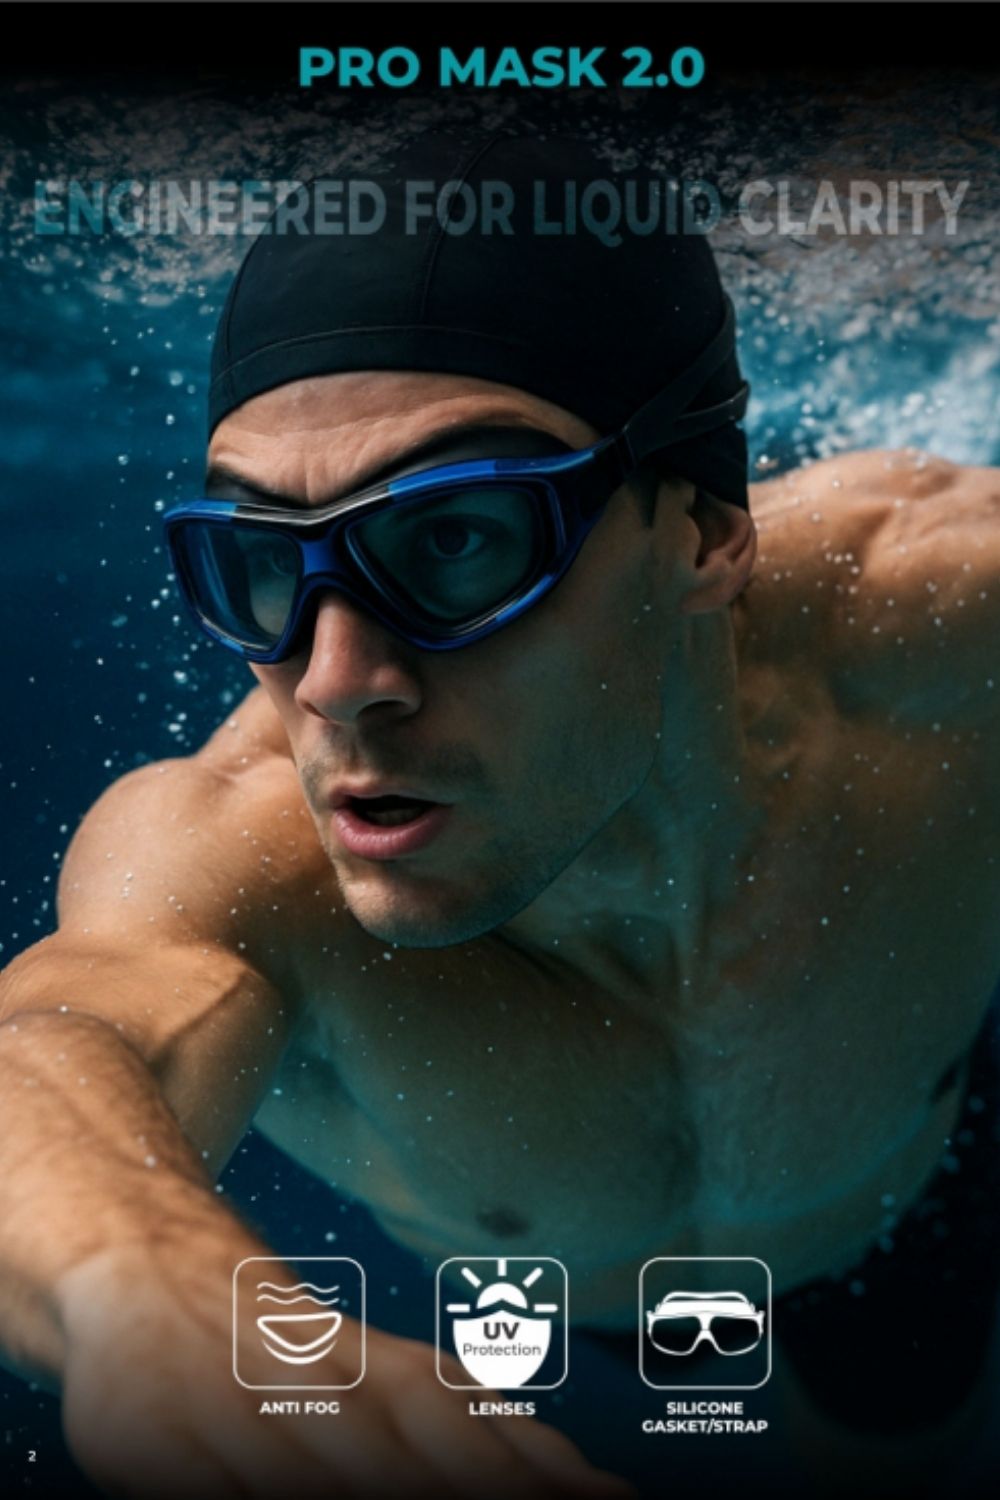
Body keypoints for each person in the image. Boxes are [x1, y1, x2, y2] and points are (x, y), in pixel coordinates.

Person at [1, 133, 997, 1500]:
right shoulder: (233, 859)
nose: (340, 687)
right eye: (260, 562)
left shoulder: (943, 635)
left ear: (706, 531)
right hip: (577, 1318)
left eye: (461, 536)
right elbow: (58, 1041)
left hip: (912, 1220)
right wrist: (142, 1287)